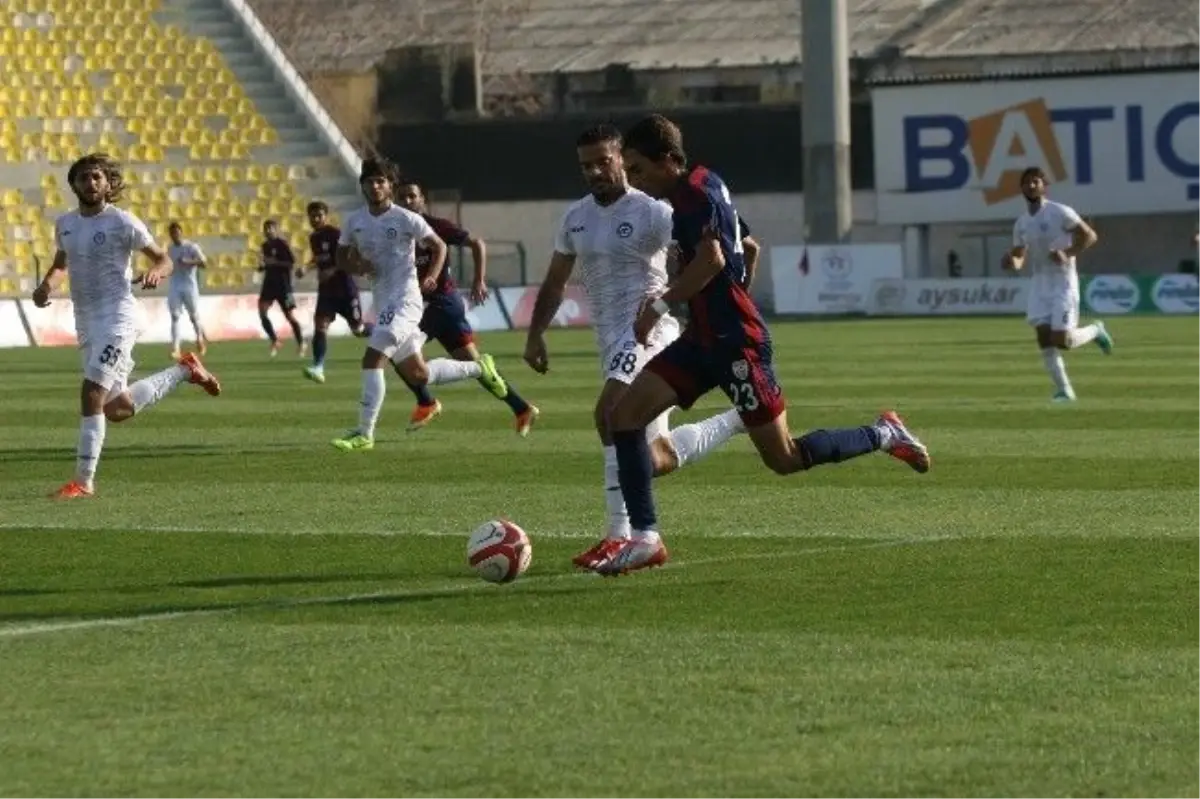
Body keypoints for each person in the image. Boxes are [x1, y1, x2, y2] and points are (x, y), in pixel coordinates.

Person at [601, 115, 931, 575]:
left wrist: (659, 306)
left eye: (638, 169)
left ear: (669, 160)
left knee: (784, 458)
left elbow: (713, 260)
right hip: (703, 339)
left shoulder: (692, 195)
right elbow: (749, 247)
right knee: (623, 417)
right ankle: (645, 538)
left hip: (737, 347)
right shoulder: (705, 184)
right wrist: (726, 299)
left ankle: (884, 433)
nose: (634, 180)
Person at [523, 124, 746, 571]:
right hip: (611, 341)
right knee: (653, 457)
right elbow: (555, 282)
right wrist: (535, 333)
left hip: (650, 332)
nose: (595, 171)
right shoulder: (575, 218)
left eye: (603, 161)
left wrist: (701, 301)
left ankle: (619, 537)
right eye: (586, 165)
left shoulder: (654, 211)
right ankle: (737, 419)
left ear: (621, 160)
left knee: (608, 414)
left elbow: (711, 252)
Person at [31, 153, 221, 499]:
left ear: (108, 183)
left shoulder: (123, 222)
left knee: (92, 392)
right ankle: (185, 370)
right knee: (116, 408)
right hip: (86, 321)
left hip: (118, 317)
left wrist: (156, 272)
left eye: (97, 177)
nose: (91, 183)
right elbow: (61, 265)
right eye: (84, 177)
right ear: (74, 184)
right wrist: (46, 286)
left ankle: (83, 481)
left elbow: (163, 259)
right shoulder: (65, 224)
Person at [330, 157, 508, 452]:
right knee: (418, 374)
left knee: (372, 359)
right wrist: (357, 265)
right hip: (383, 302)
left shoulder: (406, 218)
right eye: (369, 181)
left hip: (405, 302)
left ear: (390, 186)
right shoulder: (354, 221)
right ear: (362, 185)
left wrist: (433, 277)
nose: (375, 186)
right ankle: (480, 367)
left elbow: (439, 246)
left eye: (380, 181)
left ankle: (364, 433)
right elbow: (341, 258)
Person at [394, 180, 538, 435]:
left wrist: (478, 279)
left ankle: (426, 402)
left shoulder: (436, 227)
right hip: (435, 308)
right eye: (402, 197)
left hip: (440, 304)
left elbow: (477, 243)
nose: (407, 201)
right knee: (473, 364)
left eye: (412, 196)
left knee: (397, 346)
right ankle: (522, 408)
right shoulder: (397, 232)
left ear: (422, 199)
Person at [1001, 166, 1113, 401]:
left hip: (1063, 283)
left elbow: (1090, 236)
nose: (1031, 185)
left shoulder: (1060, 212)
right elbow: (1020, 258)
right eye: (1027, 182)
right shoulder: (1021, 223)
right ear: (1021, 188)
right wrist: (1012, 261)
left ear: (1044, 186)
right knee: (1043, 337)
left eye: (1036, 181)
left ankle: (1096, 330)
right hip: (1040, 284)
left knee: (1063, 341)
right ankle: (1064, 390)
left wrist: (1068, 253)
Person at [301, 200, 369, 384]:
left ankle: (386, 332)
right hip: (326, 292)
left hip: (345, 291)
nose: (316, 219)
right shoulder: (313, 237)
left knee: (359, 330)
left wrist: (330, 271)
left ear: (326, 216)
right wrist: (306, 267)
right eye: (312, 216)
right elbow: (319, 258)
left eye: (319, 215)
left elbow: (348, 257)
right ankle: (318, 367)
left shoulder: (335, 234)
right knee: (320, 325)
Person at [257, 218, 305, 358]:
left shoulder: (282, 244)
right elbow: (267, 264)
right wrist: (262, 267)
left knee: (290, 316)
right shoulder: (264, 246)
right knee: (262, 312)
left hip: (284, 286)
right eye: (266, 228)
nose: (268, 231)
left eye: (270, 228)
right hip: (269, 285)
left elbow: (291, 263)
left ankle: (301, 342)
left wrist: (274, 262)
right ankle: (274, 340)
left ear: (276, 230)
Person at [165, 221, 209, 358]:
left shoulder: (191, 247)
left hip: (189, 285)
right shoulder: (170, 249)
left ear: (181, 232)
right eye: (172, 233)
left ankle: (200, 339)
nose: (174, 235)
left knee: (193, 316)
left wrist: (188, 262)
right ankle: (176, 348)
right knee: (175, 316)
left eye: (176, 232)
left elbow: (204, 263)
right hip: (175, 285)